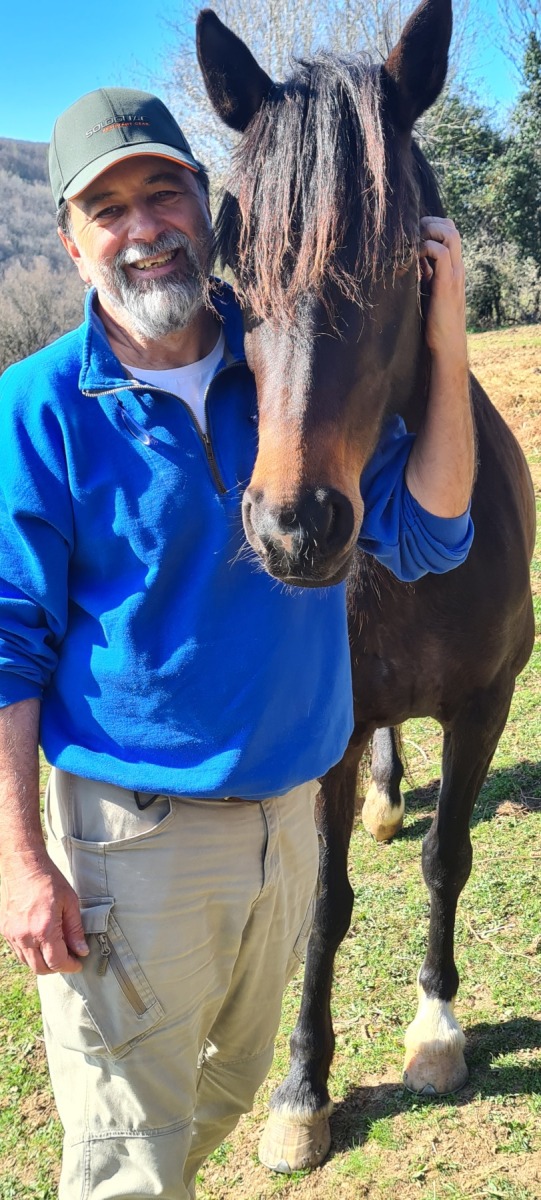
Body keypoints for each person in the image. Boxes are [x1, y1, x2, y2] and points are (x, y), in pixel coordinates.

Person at [0, 88, 474, 1200]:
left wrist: (445, 336)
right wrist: (22, 863)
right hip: (131, 846)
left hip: (289, 828)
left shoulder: (281, 369)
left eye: (162, 191)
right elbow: (7, 643)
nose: (143, 226)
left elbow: (430, 532)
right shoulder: (37, 407)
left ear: (207, 208)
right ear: (71, 243)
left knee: (225, 1095)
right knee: (126, 1164)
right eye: (106, 208)